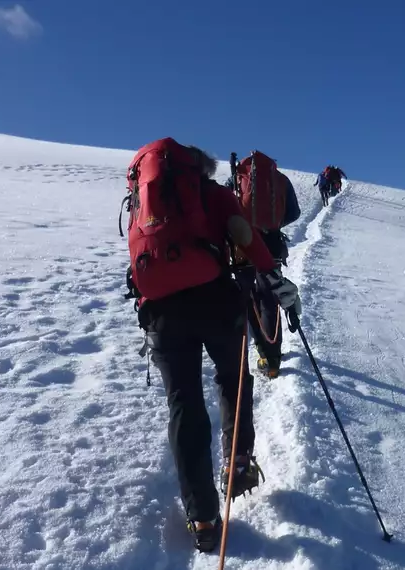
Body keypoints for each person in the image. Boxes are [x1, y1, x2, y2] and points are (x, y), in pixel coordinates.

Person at [123, 138, 302, 553]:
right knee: (233, 378)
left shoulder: (141, 203)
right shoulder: (212, 194)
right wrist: (271, 274)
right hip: (216, 299)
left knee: (183, 403)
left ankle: (202, 517)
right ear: (198, 168)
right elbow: (241, 232)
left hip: (162, 312)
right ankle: (236, 464)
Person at [247, 172, 301, 378]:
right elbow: (294, 213)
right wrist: (273, 226)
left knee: (252, 302)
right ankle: (273, 358)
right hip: (272, 249)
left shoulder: (237, 178)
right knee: (270, 300)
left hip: (244, 250)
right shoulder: (278, 179)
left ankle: (266, 356)